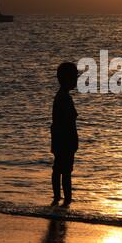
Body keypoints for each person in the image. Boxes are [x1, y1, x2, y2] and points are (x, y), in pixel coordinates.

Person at [50, 62, 78, 207]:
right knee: (65, 171)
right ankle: (65, 199)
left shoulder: (61, 97)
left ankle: (58, 198)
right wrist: (73, 141)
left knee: (59, 169)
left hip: (59, 139)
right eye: (74, 78)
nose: (76, 81)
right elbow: (68, 123)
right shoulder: (64, 98)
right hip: (64, 140)